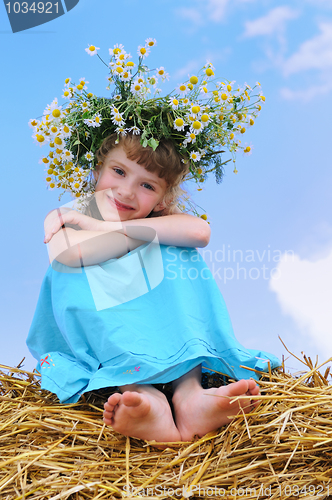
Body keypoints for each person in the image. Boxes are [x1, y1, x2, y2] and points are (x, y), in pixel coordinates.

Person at [27, 39, 280, 442]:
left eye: (146, 185)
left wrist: (121, 232)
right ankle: (146, 401)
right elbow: (70, 256)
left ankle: (190, 397)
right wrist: (107, 230)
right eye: (118, 172)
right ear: (97, 168)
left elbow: (201, 233)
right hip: (111, 335)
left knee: (178, 249)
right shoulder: (76, 211)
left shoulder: (157, 220)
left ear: (162, 196)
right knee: (90, 269)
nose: (128, 192)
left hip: (171, 337)